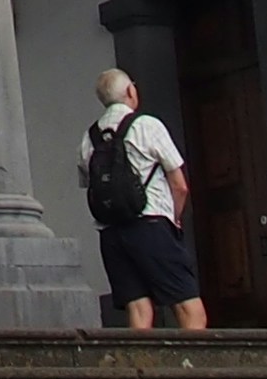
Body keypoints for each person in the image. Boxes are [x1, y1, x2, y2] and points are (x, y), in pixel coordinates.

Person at [86, 64, 209, 332]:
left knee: (139, 312)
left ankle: (140, 372)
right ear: (131, 91)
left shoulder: (90, 138)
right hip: (151, 225)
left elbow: (88, 184)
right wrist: (174, 220)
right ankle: (192, 373)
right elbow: (180, 185)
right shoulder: (147, 126)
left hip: (112, 234)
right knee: (190, 310)